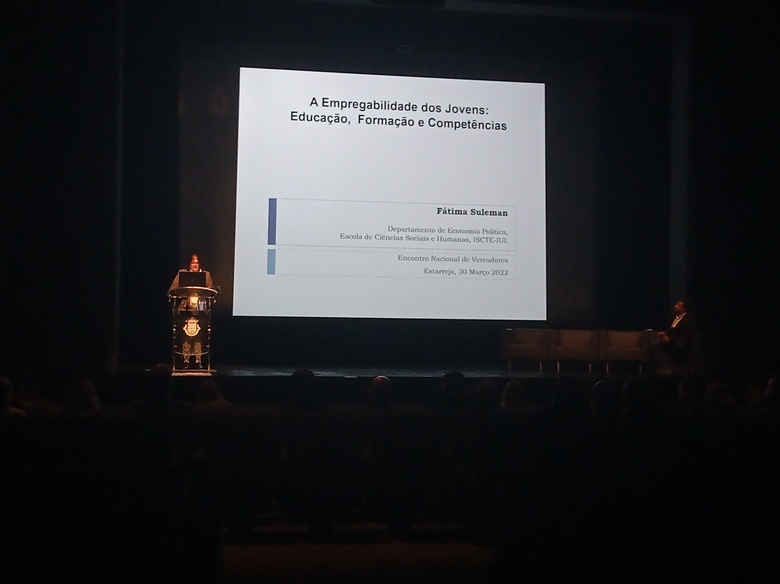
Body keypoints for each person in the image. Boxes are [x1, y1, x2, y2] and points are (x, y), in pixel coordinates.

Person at [653, 299, 697, 374]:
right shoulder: (674, 318)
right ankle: (665, 366)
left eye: (678, 305)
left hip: (679, 342)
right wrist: (664, 333)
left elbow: (686, 335)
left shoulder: (688, 320)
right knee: (654, 342)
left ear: (683, 309)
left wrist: (670, 339)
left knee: (657, 345)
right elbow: (670, 329)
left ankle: (668, 367)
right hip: (669, 339)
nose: (675, 306)